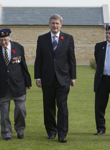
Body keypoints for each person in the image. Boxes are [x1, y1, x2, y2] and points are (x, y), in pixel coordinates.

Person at [0, 28, 32, 141]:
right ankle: (6, 133)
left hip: (18, 85)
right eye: (1, 40)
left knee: (20, 109)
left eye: (5, 40)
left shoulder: (19, 47)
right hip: (2, 86)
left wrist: (28, 82)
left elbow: (23, 65)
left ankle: (20, 130)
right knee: (4, 112)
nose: (3, 43)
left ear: (10, 37)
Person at [34, 14, 76, 143]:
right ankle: (51, 131)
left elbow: (71, 59)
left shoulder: (68, 38)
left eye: (57, 23)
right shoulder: (42, 39)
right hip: (47, 79)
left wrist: (73, 76)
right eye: (53, 23)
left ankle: (62, 133)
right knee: (48, 107)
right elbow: (39, 59)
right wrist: (37, 77)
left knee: (62, 107)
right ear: (49, 24)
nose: (55, 25)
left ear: (61, 24)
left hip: (63, 79)